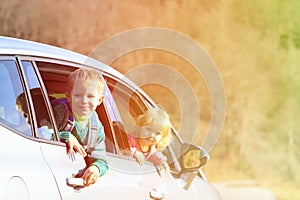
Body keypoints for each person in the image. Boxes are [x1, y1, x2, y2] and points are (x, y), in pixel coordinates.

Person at [54, 68, 108, 186]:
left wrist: (96, 168)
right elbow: (41, 134)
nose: (84, 101)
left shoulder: (96, 127)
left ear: (100, 100)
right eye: (78, 95)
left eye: (90, 96)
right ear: (68, 97)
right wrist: (65, 136)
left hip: (75, 177)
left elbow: (102, 159)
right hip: (55, 172)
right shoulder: (60, 113)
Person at [126, 107, 172, 173]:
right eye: (149, 129)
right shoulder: (129, 140)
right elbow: (123, 149)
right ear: (140, 126)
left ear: (162, 137)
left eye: (158, 133)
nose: (152, 135)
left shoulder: (151, 151)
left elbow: (156, 156)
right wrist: (134, 153)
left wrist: (162, 162)